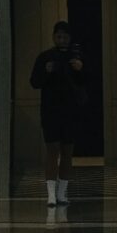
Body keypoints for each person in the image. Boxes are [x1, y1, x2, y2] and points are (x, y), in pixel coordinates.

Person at [29, 21, 89, 208]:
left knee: (67, 152)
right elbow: (34, 82)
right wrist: (46, 71)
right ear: (54, 37)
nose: (61, 39)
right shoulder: (46, 57)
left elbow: (87, 82)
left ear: (70, 38)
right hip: (51, 110)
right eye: (58, 36)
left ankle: (61, 193)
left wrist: (80, 69)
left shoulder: (76, 58)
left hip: (71, 111)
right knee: (52, 151)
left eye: (65, 36)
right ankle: (51, 195)